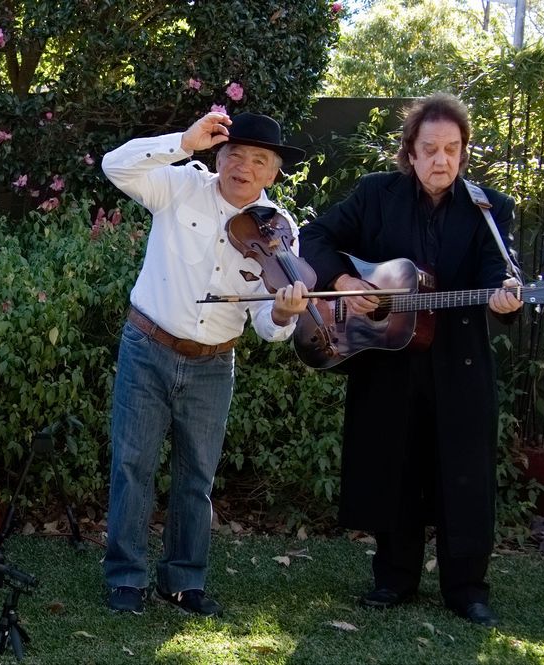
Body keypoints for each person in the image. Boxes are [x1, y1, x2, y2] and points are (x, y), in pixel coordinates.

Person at [298, 93, 523, 628]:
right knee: (393, 462)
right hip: (389, 358)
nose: (442, 159)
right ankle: (393, 577)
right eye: (430, 149)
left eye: (452, 149)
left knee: (463, 473)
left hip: (459, 361)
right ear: (410, 151)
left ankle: (466, 588)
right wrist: (344, 280)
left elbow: (501, 273)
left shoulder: (488, 206)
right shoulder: (377, 194)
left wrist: (504, 297)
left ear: (463, 152)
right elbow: (316, 236)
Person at [101, 111, 310, 616]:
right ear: (218, 155)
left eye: (259, 160)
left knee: (197, 475)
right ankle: (126, 578)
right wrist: (183, 141)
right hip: (148, 346)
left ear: (273, 172)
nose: (243, 166)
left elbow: (267, 320)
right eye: (234, 153)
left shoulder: (280, 229)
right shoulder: (181, 187)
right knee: (133, 466)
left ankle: (182, 581)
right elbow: (115, 165)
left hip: (214, 364)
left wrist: (281, 313)